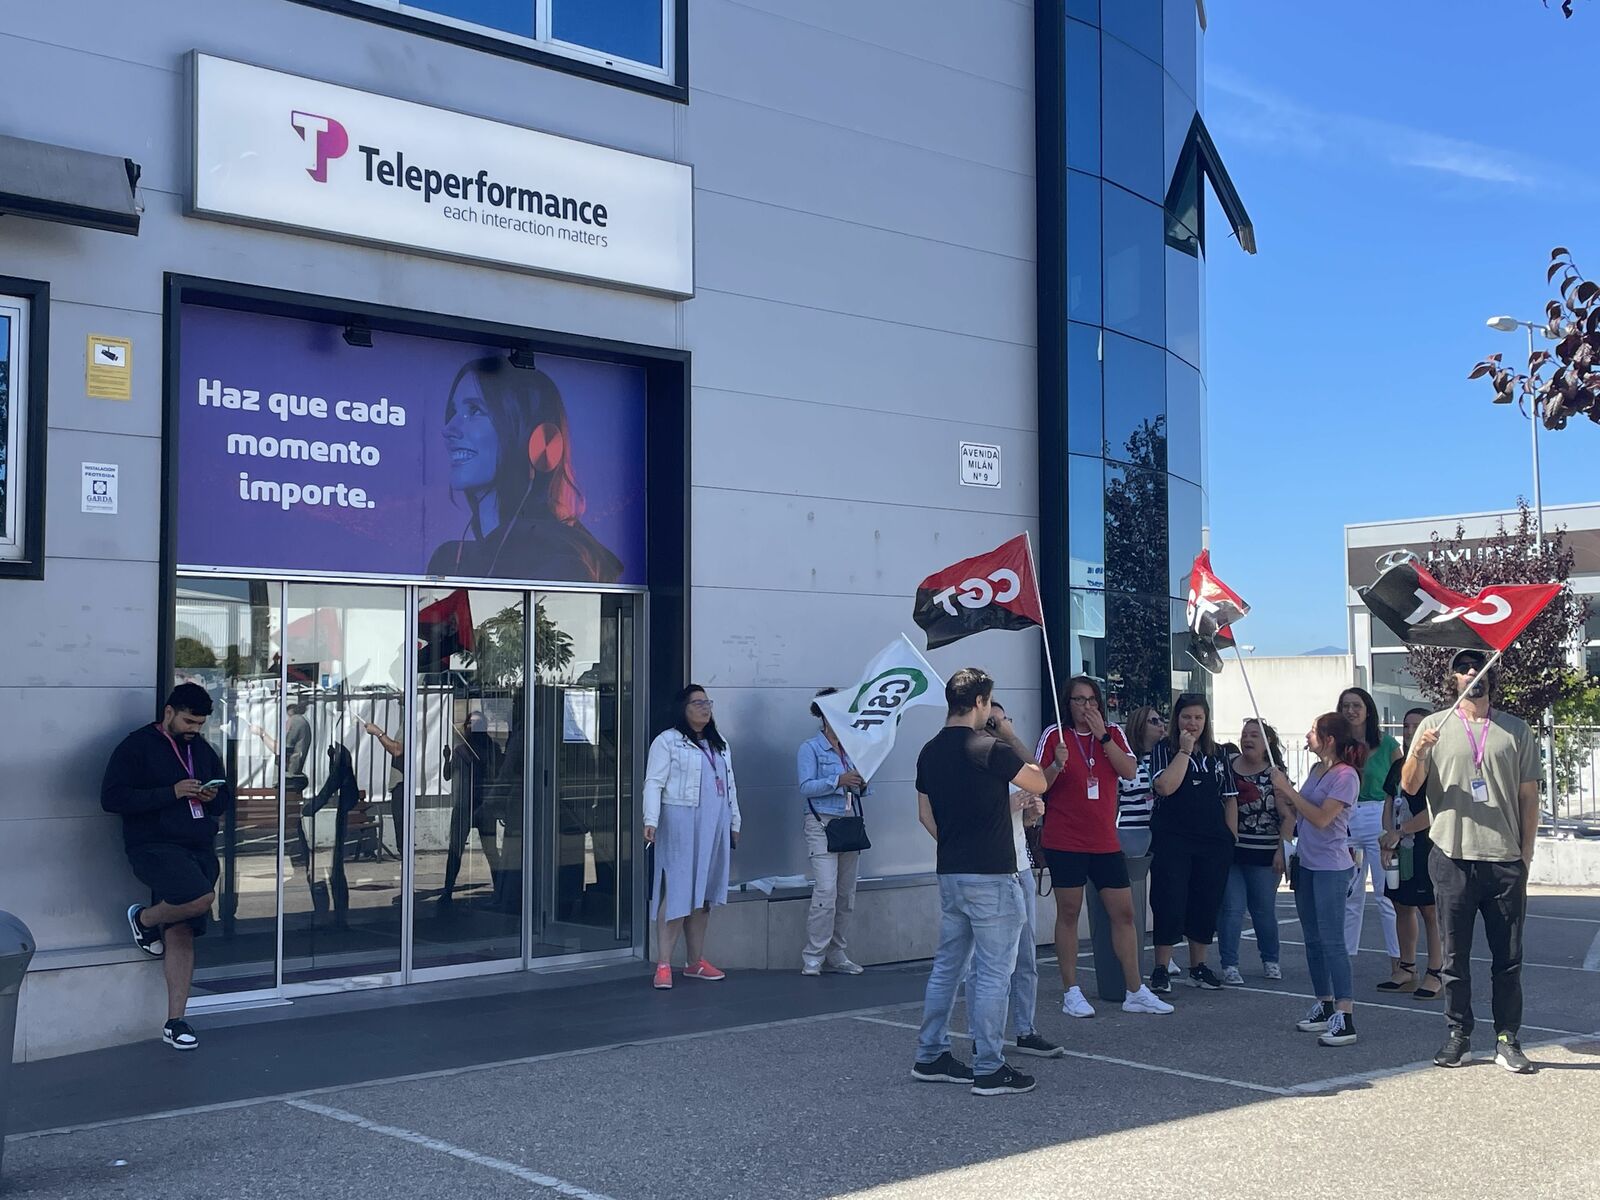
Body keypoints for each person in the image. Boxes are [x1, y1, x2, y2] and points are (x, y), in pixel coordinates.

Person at [1402, 649, 1540, 1073]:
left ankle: (1507, 1037)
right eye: (1461, 669)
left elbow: (1528, 796)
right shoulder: (1433, 726)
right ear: (1453, 680)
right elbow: (1410, 787)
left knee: (1508, 957)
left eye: (1476, 667)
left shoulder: (1515, 731)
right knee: (1454, 957)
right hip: (1452, 857)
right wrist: (1419, 752)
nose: (1469, 674)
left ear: (1489, 675)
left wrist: (1526, 853)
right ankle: (1458, 1034)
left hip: (1503, 859)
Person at [912, 669, 1049, 1097]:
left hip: (951, 872)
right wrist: (1006, 731)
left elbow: (925, 814)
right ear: (981, 703)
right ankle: (989, 1067)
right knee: (993, 973)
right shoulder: (987, 746)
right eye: (990, 704)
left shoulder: (929, 751)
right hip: (992, 874)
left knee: (947, 968)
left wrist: (955, 844)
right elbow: (1040, 780)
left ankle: (930, 1055)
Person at [101, 683, 232, 1051]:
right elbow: (111, 798)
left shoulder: (203, 750)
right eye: (189, 720)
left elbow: (224, 801)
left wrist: (211, 796)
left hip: (198, 845)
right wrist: (170, 793)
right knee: (200, 897)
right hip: (154, 845)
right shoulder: (136, 746)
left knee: (183, 930)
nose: (194, 729)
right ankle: (143, 920)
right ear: (169, 712)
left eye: (201, 723)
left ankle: (175, 1021)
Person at [1035, 677, 1174, 1017]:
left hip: (1104, 840)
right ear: (1068, 704)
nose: (1087, 706)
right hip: (1065, 839)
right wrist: (1057, 764)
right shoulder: (1055, 735)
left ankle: (1135, 989)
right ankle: (1071, 991)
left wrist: (1104, 737)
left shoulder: (1114, 733)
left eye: (1092, 699)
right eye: (1079, 700)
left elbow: (1128, 771)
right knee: (1069, 913)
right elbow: (1038, 783)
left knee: (1124, 913)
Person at [425, 355, 623, 583]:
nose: (449, 429)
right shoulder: (451, 559)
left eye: (475, 411)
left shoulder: (564, 559)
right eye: (454, 412)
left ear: (535, 438)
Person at [954, 702, 1063, 1059]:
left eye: (1004, 720)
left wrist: (1032, 814)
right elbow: (970, 817)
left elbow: (1036, 782)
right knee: (984, 961)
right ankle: (979, 1033)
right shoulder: (972, 760)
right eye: (993, 721)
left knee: (1026, 956)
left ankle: (1025, 1028)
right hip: (989, 870)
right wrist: (1011, 806)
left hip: (1019, 867)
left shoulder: (1008, 760)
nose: (999, 726)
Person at [1272, 713, 1365, 1047]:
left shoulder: (1346, 776)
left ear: (1329, 740)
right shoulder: (1316, 771)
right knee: (1312, 938)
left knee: (1332, 940)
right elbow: (1301, 813)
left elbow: (1323, 818)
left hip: (1331, 867)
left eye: (1314, 731)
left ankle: (1345, 1013)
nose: (1308, 735)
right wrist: (1287, 797)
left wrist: (1289, 792)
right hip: (1308, 864)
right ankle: (1324, 1003)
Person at [644, 685, 741, 989]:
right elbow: (653, 783)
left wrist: (735, 819)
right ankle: (663, 964)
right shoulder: (668, 741)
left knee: (704, 893)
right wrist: (650, 819)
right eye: (697, 703)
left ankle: (695, 961)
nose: (704, 707)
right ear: (682, 709)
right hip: (681, 819)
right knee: (677, 890)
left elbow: (731, 785)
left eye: (707, 702)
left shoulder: (719, 743)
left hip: (715, 821)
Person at [1147, 693, 1237, 992]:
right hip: (1173, 839)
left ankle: (1199, 966)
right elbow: (1164, 787)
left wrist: (1230, 838)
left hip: (1212, 841)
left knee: (1205, 902)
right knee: (1169, 900)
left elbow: (1230, 798)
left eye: (1199, 717)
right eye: (1187, 717)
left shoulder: (1220, 753)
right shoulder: (1164, 749)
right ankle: (1161, 967)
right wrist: (1184, 753)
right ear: (1177, 719)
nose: (1193, 723)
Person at [796, 688, 868, 976]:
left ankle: (837, 952)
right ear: (824, 714)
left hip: (849, 822)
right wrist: (838, 780)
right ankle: (813, 955)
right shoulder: (809, 748)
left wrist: (861, 784)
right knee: (825, 889)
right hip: (822, 822)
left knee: (846, 893)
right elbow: (805, 787)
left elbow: (865, 787)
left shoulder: (853, 747)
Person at [1377, 707, 1444, 1000]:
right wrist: (1387, 835)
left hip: (1425, 846)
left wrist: (1402, 831)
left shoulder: (1437, 767)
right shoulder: (1399, 766)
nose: (1410, 731)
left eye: (1417, 726)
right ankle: (1406, 968)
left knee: (1429, 910)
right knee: (1400, 905)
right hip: (1398, 847)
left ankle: (1436, 972)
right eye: (1406, 726)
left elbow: (1434, 812)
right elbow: (1389, 802)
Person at [1339, 686, 1404, 984]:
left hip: (1379, 818)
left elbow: (1399, 787)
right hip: (1348, 817)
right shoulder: (1338, 744)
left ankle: (1400, 966)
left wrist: (1395, 829)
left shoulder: (1389, 744)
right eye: (1345, 706)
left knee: (1386, 897)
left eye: (1356, 705)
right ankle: (1343, 965)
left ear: (1367, 710)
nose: (1351, 711)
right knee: (1350, 897)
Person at [1218, 718, 1288, 985]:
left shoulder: (1275, 774)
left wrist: (1282, 850)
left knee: (1263, 910)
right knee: (1232, 908)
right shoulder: (1227, 768)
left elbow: (1287, 816)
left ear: (1267, 741)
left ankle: (1270, 959)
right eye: (1244, 734)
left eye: (1254, 735)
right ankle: (1229, 964)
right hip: (1233, 852)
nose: (1247, 739)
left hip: (1265, 852)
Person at [441, 711, 504, 904]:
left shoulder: (490, 749)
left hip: (483, 804)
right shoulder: (462, 750)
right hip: (465, 805)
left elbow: (499, 774)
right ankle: (447, 891)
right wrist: (447, 758)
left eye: (477, 724)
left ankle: (500, 890)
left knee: (491, 850)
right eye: (471, 724)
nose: (473, 728)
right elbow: (448, 775)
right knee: (456, 850)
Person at [1116, 705, 1166, 858]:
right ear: (1139, 726)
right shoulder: (1125, 760)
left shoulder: (1166, 759)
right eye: (1154, 721)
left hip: (1161, 831)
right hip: (1131, 833)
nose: (1161, 725)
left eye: (1162, 720)